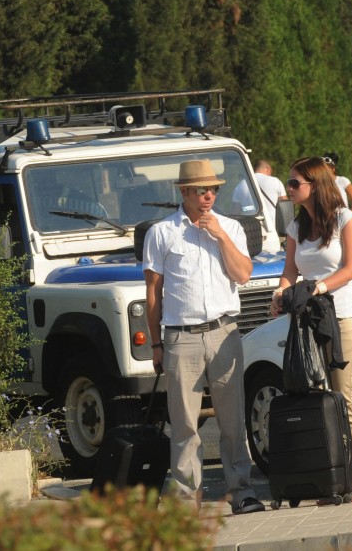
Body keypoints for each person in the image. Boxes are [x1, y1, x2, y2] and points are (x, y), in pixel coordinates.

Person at [142, 160, 264, 515]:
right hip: (181, 337)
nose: (208, 196)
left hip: (224, 331)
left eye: (213, 189)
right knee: (184, 426)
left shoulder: (230, 227)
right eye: (200, 190)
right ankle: (185, 502)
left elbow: (243, 274)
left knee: (233, 420)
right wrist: (156, 343)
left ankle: (240, 492)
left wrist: (221, 237)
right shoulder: (162, 233)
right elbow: (153, 294)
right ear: (184, 192)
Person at [271, 157, 352, 503]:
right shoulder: (296, 227)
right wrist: (280, 292)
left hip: (341, 318)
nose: (289, 188)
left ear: (316, 185)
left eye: (295, 183)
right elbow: (289, 270)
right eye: (289, 182)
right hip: (308, 322)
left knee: (345, 397)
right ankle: (329, 476)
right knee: (317, 397)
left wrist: (318, 288)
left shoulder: (345, 219)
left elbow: (351, 268)